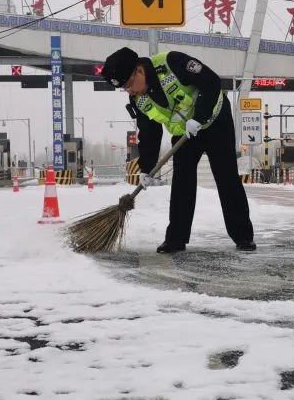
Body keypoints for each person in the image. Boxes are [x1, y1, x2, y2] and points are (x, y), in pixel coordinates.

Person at [101, 47, 255, 253]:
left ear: (139, 71)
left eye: (129, 85)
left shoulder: (171, 63)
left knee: (226, 177)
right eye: (125, 89)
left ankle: (243, 236)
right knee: (182, 182)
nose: (130, 91)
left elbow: (210, 81)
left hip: (215, 120)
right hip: (186, 135)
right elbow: (149, 133)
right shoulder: (139, 100)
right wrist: (146, 168)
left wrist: (199, 117)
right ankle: (176, 239)